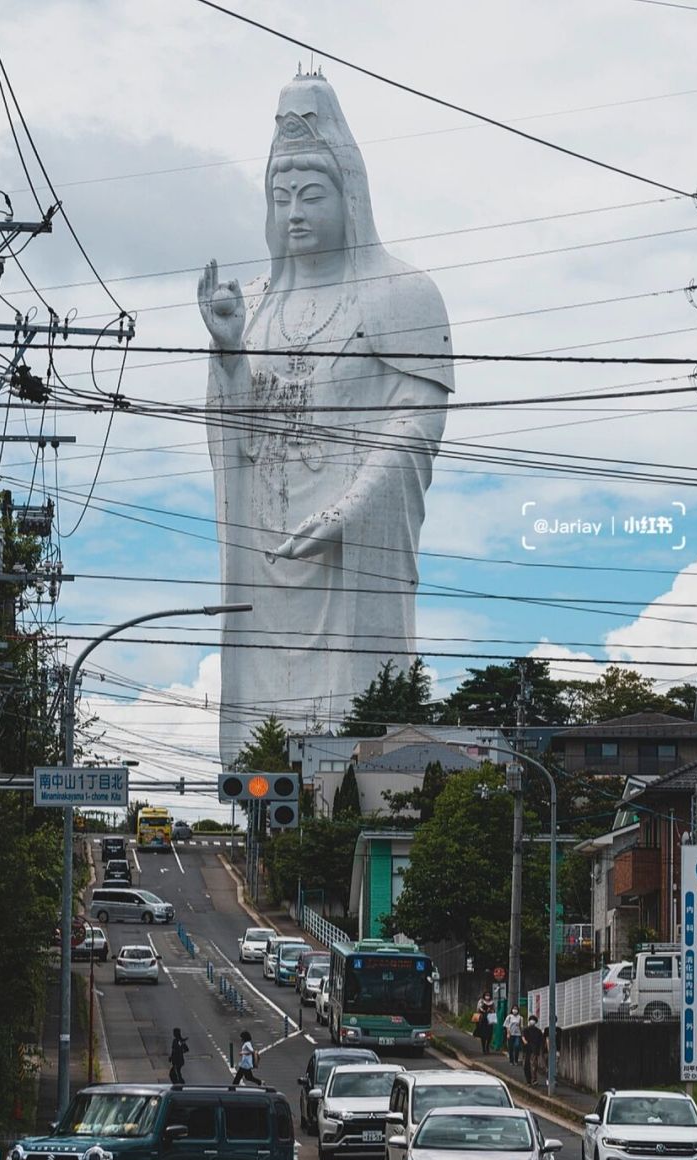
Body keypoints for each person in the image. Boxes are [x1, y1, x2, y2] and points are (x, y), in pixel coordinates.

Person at [199, 72, 454, 765]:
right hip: (266, 545)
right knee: (263, 732)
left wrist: (350, 509)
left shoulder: (402, 293)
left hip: (348, 550)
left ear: (350, 196)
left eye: (311, 195)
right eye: (280, 198)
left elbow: (416, 423)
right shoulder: (253, 301)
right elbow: (235, 437)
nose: (294, 214)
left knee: (355, 718)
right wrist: (229, 351)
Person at [524, 1015, 544, 1086]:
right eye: (531, 1020)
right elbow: (523, 1038)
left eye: (533, 1020)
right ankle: (529, 1080)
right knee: (527, 1066)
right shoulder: (526, 1030)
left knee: (533, 1066)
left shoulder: (538, 1031)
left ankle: (533, 1080)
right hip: (527, 1050)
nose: (532, 1021)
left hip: (534, 1051)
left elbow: (541, 1041)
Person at [475, 990, 495, 1054]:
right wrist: (484, 1010)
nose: (487, 996)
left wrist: (491, 1010)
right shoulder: (481, 1001)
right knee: (483, 1035)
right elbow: (478, 1009)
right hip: (483, 1019)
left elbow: (494, 1009)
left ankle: (487, 1046)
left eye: (488, 995)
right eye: (486, 995)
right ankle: (483, 1048)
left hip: (490, 1018)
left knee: (489, 1034)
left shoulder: (492, 1002)